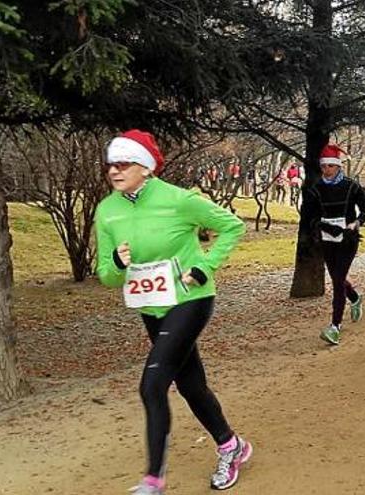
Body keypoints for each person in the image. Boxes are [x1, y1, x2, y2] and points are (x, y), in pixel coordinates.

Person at [95, 130, 252, 494]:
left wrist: (205, 266)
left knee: (152, 385)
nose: (114, 171)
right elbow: (106, 274)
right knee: (190, 383)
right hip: (151, 307)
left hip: (190, 299)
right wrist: (117, 263)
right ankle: (232, 446)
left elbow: (232, 226)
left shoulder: (179, 200)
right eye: (111, 165)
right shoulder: (107, 211)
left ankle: (153, 481)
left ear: (145, 168)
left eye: (124, 164)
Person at [303, 143, 365, 345]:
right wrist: (321, 224)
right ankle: (355, 298)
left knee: (337, 280)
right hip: (327, 239)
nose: (326, 170)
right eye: (323, 167)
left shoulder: (351, 186)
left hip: (348, 239)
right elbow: (309, 216)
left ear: (338, 166)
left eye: (330, 166)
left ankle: (335, 326)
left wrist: (356, 223)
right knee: (337, 279)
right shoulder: (316, 189)